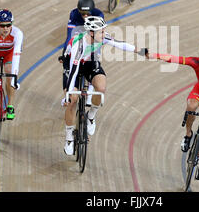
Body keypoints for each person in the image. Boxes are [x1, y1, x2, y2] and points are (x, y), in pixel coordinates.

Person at [61, 16, 148, 155]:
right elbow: (73, 71)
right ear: (91, 33)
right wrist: (68, 94)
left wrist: (140, 51)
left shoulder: (101, 37)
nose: (104, 34)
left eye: (103, 31)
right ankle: (69, 138)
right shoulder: (79, 44)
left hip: (90, 61)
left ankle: (91, 115)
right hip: (73, 64)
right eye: (101, 32)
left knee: (101, 88)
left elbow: (120, 44)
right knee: (72, 100)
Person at [149, 42, 199, 181]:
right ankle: (188, 134)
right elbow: (175, 58)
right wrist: (154, 55)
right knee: (191, 107)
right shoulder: (196, 62)